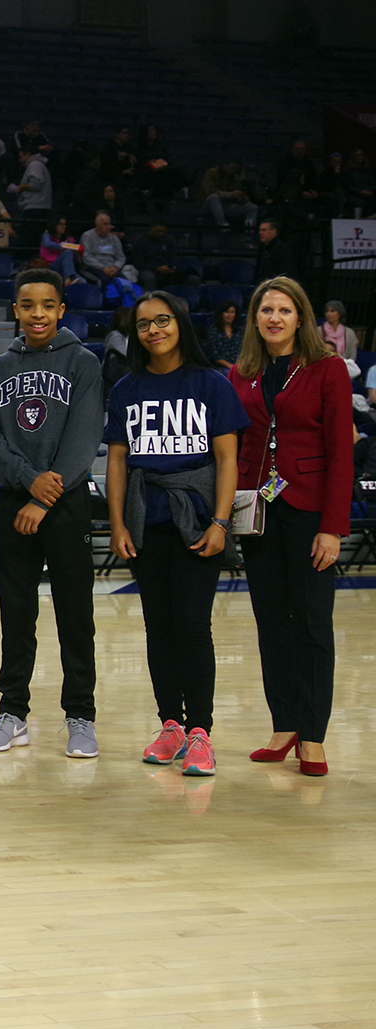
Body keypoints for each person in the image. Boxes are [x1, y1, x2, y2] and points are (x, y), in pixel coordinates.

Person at [104, 292, 246, 778]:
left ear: (180, 323)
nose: (154, 330)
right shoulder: (126, 387)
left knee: (191, 625)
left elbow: (227, 459)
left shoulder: (212, 383)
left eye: (162, 320)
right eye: (143, 325)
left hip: (198, 518)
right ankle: (170, 725)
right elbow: (118, 460)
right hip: (147, 519)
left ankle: (201, 733)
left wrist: (221, 522)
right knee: (158, 628)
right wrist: (118, 523)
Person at [0, 270, 105, 758]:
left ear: (62, 309)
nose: (38, 314)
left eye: (48, 305)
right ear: (16, 311)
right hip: (16, 502)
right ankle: (13, 712)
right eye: (28, 305)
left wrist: (43, 495)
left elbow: (84, 436)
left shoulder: (83, 363)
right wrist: (29, 483)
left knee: (75, 614)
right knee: (16, 613)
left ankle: (81, 716)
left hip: (65, 502)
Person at [229, 278, 354, 777]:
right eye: (266, 310)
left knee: (312, 624)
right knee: (271, 624)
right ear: (255, 319)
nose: (274, 318)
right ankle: (284, 725)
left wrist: (334, 528)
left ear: (300, 317)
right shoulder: (242, 373)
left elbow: (342, 454)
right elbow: (237, 445)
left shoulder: (328, 369)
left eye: (284, 310)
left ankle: (314, 735)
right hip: (258, 512)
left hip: (309, 510)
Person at [319, 299, 360, 364]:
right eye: (327, 311)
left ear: (340, 313)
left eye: (332, 311)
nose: (328, 314)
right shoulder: (318, 331)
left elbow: (352, 356)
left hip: (344, 365)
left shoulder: (349, 333)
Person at [205, 299, 243, 365]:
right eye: (227, 312)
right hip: (222, 366)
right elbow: (215, 356)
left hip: (240, 364)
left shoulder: (240, 331)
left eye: (232, 312)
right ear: (221, 314)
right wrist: (232, 368)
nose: (230, 315)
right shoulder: (213, 331)